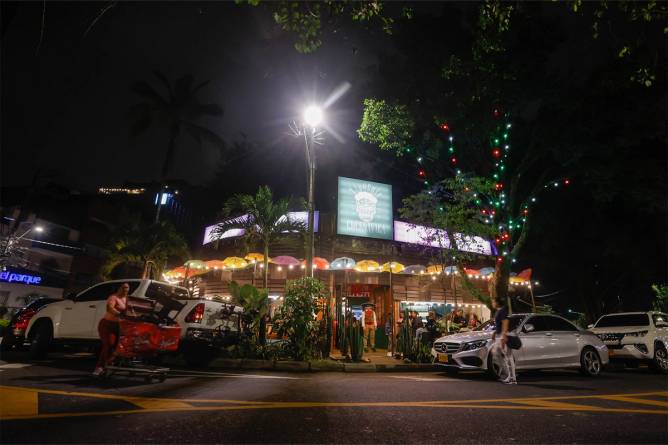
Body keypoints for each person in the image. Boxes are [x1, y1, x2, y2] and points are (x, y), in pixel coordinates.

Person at [93, 282, 131, 376]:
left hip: (118, 326)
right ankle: (99, 367)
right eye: (123, 287)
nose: (125, 289)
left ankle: (108, 365)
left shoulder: (127, 299)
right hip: (107, 325)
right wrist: (119, 313)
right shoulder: (113, 297)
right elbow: (109, 308)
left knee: (115, 347)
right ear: (119, 288)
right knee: (108, 345)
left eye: (127, 288)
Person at [490, 297, 517, 384]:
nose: (492, 303)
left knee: (508, 356)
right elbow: (499, 324)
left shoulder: (502, 311)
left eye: (493, 301)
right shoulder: (498, 311)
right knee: (495, 353)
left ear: (497, 302)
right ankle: (508, 374)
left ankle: (512, 378)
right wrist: (495, 332)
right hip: (499, 335)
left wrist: (504, 336)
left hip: (503, 336)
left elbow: (505, 322)